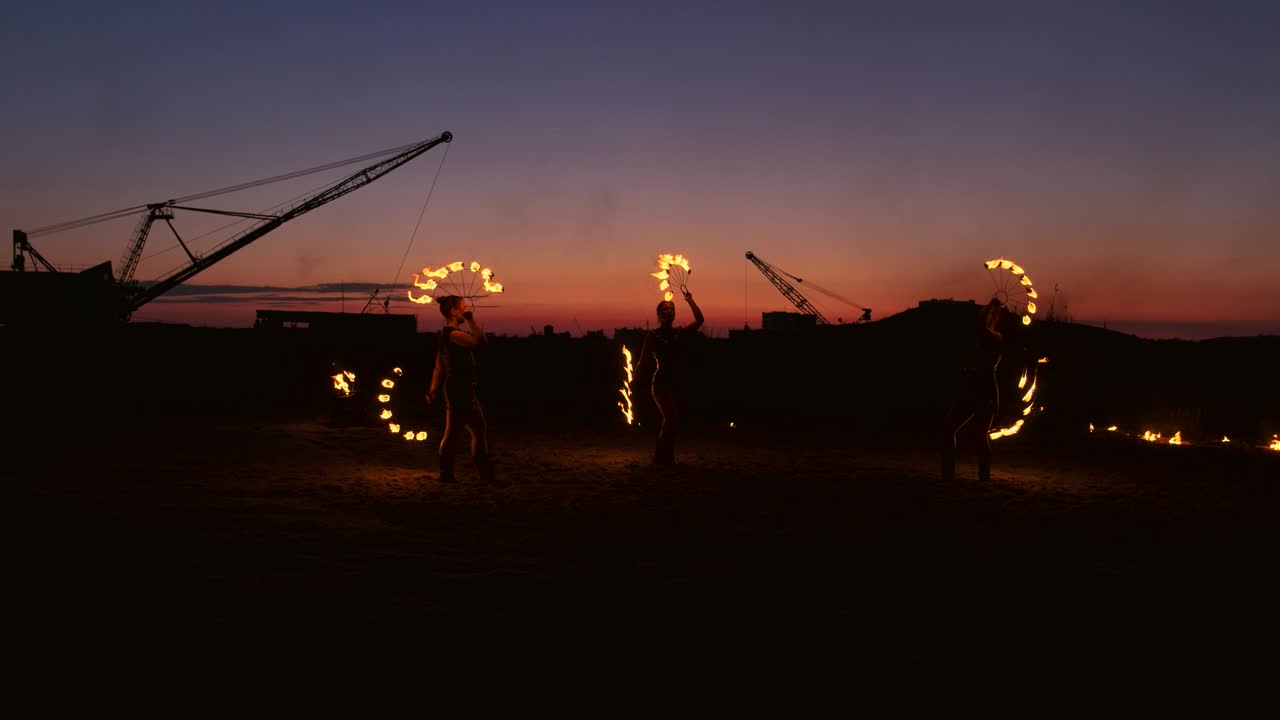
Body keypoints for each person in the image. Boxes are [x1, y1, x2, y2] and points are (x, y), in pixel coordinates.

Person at [425, 295, 499, 485]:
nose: (467, 309)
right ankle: (456, 475)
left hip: (459, 389)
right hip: (459, 389)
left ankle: (456, 475)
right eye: (463, 307)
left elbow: (438, 366)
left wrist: (433, 389)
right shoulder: (453, 335)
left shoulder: (445, 335)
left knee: (473, 430)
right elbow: (480, 342)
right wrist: (471, 319)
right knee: (459, 433)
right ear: (454, 311)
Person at [939, 297, 1007, 482]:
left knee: (970, 434)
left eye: (992, 314)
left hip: (981, 389)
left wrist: (991, 307)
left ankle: (965, 476)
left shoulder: (994, 338)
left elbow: (982, 329)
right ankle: (957, 475)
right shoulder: (990, 337)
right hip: (979, 389)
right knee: (963, 432)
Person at [637, 289, 704, 465]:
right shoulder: (652, 336)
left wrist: (690, 300)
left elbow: (699, 320)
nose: (669, 311)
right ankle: (660, 457)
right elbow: (643, 361)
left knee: (673, 421)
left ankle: (667, 458)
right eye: (665, 309)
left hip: (677, 382)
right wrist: (634, 381)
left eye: (672, 309)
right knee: (671, 418)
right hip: (660, 383)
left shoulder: (679, 333)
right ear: (659, 314)